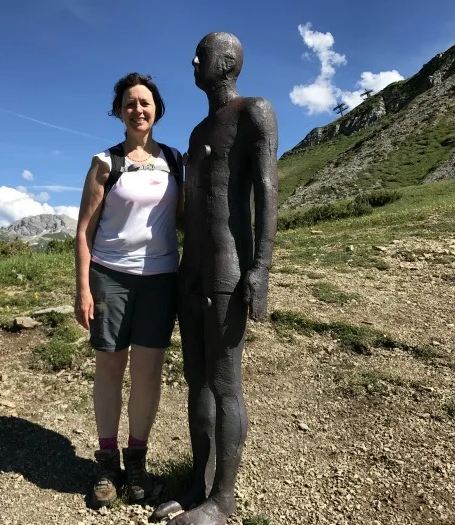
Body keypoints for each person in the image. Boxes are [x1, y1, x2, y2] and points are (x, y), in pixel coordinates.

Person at [151, 32, 278, 525]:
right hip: (192, 271)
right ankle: (199, 486)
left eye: (201, 55)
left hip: (227, 270)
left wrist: (261, 267)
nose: (193, 60)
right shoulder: (197, 132)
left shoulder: (255, 112)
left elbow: (267, 192)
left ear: (226, 63)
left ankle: (223, 502)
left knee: (225, 386)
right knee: (195, 381)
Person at [74, 72, 184, 509]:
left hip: (161, 279)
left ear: (156, 108)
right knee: (110, 368)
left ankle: (135, 461)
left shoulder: (177, 161)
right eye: (129, 103)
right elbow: (84, 231)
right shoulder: (105, 162)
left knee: (148, 373)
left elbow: (182, 221)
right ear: (119, 112)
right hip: (111, 276)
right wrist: (83, 288)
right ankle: (106, 462)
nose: (138, 109)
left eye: (145, 102)